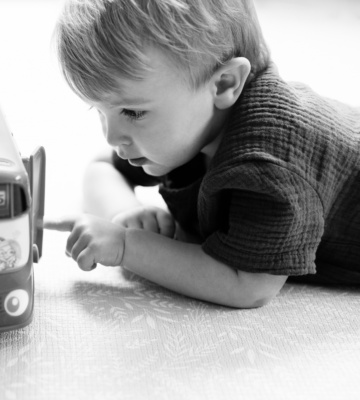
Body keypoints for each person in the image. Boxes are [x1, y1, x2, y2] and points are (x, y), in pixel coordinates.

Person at [45, 0, 360, 308]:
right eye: (99, 111)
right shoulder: (191, 125)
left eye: (133, 112)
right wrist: (125, 214)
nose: (111, 136)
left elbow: (248, 285)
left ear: (224, 84)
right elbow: (101, 168)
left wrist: (126, 245)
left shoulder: (267, 165)